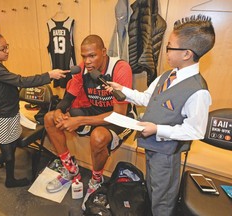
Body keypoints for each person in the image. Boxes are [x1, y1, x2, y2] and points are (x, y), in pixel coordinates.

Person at [106, 14, 215, 215]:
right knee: (152, 189)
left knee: (163, 200)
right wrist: (122, 89)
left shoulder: (198, 91)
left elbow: (196, 130)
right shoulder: (167, 75)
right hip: (152, 147)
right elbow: (148, 98)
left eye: (170, 47)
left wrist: (157, 129)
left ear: (186, 54)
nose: (166, 51)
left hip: (166, 155)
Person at [44, 34, 135, 210]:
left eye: (92, 56)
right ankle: (70, 169)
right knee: (49, 118)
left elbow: (119, 113)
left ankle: (96, 179)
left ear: (103, 52)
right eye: (84, 56)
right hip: (95, 111)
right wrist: (58, 111)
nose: (87, 61)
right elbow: (68, 98)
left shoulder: (120, 68)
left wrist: (79, 120)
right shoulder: (82, 68)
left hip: (120, 117)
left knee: (98, 136)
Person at [0, 27, 67, 188]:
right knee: (8, 155)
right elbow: (21, 81)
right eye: (3, 49)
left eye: (7, 46)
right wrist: (49, 75)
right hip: (2, 118)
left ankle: (5, 173)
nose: (7, 51)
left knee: (11, 149)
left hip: (11, 115)